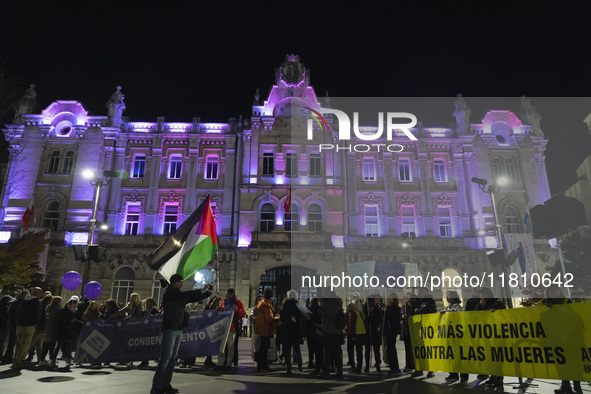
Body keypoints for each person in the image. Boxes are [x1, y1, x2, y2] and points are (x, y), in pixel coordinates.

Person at [150, 275, 211, 394]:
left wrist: (207, 293)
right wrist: (201, 290)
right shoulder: (169, 294)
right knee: (165, 358)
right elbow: (185, 295)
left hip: (178, 328)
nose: (181, 284)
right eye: (180, 282)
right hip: (170, 328)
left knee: (172, 358)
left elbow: (191, 298)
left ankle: (166, 384)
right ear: (173, 283)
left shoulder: (178, 295)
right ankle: (156, 385)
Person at [539, 286, 581, 394]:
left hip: (569, 338)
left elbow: (573, 316)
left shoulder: (567, 301)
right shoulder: (544, 303)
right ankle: (566, 386)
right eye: (551, 290)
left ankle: (577, 386)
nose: (553, 292)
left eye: (555, 290)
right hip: (555, 339)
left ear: (559, 291)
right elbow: (539, 317)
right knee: (561, 364)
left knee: (573, 363)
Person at [475, 287, 505, 387]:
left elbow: (504, 315)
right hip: (485, 334)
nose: (480, 296)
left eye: (481, 294)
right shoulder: (480, 304)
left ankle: (499, 378)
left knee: (497, 356)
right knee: (489, 357)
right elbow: (474, 314)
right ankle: (493, 377)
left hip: (496, 334)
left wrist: (495, 312)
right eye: (480, 295)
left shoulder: (497, 303)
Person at [214, 288, 245, 371]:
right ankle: (221, 362)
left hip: (231, 327)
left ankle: (228, 363)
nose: (226, 295)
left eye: (228, 294)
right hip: (222, 327)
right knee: (221, 346)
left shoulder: (237, 302)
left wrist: (237, 310)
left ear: (232, 294)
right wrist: (218, 309)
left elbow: (243, 313)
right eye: (226, 293)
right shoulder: (223, 303)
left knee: (230, 346)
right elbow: (220, 313)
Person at [12, 287, 42, 370]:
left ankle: (15, 359)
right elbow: (36, 314)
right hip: (29, 325)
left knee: (18, 343)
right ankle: (20, 360)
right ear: (37, 294)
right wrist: (35, 322)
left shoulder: (23, 300)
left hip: (20, 324)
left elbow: (17, 312)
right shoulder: (36, 302)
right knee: (25, 343)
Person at [411, 287, 436, 378]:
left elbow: (433, 311)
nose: (419, 292)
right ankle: (419, 369)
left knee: (428, 350)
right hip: (417, 328)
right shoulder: (415, 300)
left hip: (427, 327)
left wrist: (421, 311)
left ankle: (431, 370)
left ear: (425, 291)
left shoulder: (430, 300)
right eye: (419, 290)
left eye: (421, 290)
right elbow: (412, 310)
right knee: (418, 349)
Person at [276, 290, 304, 374]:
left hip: (287, 330)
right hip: (296, 330)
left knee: (287, 350)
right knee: (297, 348)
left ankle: (289, 367)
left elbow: (282, 317)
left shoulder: (286, 305)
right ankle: (300, 365)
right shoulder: (300, 305)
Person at [440, 291, 465, 382]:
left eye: (449, 296)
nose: (447, 298)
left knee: (460, 357)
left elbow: (461, 318)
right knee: (451, 356)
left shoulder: (459, 308)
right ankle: (453, 374)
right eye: (446, 296)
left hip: (457, 336)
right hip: (449, 335)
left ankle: (463, 376)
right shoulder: (446, 307)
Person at [319, 291, 344, 379]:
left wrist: (321, 308)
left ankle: (326, 372)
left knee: (327, 351)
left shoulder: (329, 301)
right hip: (337, 329)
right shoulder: (338, 301)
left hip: (329, 329)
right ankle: (339, 371)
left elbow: (328, 314)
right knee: (337, 351)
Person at [254, 288, 278, 373]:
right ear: (271, 295)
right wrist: (277, 317)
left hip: (262, 328)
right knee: (263, 349)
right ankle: (261, 366)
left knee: (263, 348)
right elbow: (269, 318)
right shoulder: (267, 305)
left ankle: (264, 366)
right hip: (266, 329)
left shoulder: (262, 303)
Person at [27, 293, 53, 365]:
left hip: (39, 327)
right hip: (40, 327)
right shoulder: (45, 307)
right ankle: (21, 357)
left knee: (39, 344)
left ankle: (40, 359)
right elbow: (43, 318)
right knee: (32, 343)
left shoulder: (41, 304)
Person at [57, 296, 81, 367]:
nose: (77, 305)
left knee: (69, 344)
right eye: (76, 303)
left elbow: (77, 318)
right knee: (66, 344)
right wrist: (70, 321)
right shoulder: (66, 310)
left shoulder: (75, 310)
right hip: (66, 329)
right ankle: (66, 356)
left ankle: (67, 357)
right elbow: (63, 320)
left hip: (72, 329)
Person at [363, 294, 384, 373]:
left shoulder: (377, 308)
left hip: (375, 331)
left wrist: (374, 319)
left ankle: (378, 365)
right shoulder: (365, 308)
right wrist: (367, 319)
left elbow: (380, 319)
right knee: (367, 350)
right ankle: (367, 366)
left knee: (376, 350)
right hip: (367, 331)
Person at [346, 293, 365, 374]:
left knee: (350, 350)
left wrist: (352, 335)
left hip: (354, 333)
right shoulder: (361, 312)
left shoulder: (352, 312)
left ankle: (353, 366)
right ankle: (359, 367)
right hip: (361, 333)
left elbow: (351, 324)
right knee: (359, 351)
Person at [40, 296, 62, 368]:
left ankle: (42, 359)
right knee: (51, 345)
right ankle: (51, 360)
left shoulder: (48, 307)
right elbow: (56, 320)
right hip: (53, 329)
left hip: (47, 327)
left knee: (46, 344)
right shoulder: (57, 309)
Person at [383, 293, 402, 376]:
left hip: (389, 331)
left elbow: (386, 320)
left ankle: (393, 368)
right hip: (394, 331)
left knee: (390, 349)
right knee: (393, 349)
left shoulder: (388, 309)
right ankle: (396, 367)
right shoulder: (398, 308)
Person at [400, 292, 415, 372]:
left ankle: (414, 364)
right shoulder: (404, 307)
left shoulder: (415, 306)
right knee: (407, 348)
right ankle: (408, 364)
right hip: (406, 329)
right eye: (407, 297)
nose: (408, 298)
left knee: (413, 348)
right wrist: (403, 316)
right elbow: (401, 314)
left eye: (409, 297)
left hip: (414, 329)